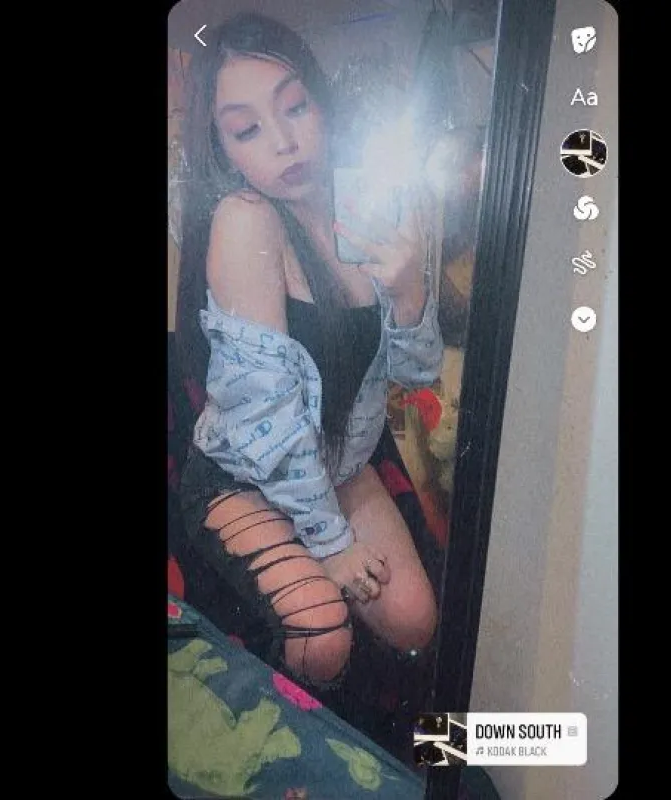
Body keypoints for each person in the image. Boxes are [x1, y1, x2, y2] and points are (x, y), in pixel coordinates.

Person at [174, 11, 444, 689]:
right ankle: (288, 723)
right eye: (247, 129)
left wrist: (411, 293)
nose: (284, 142)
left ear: (321, 103)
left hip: (337, 459)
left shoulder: (364, 205)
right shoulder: (246, 221)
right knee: (323, 635)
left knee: (415, 620)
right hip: (243, 473)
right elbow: (268, 421)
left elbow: (416, 377)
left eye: (294, 106)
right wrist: (329, 544)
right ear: (225, 149)